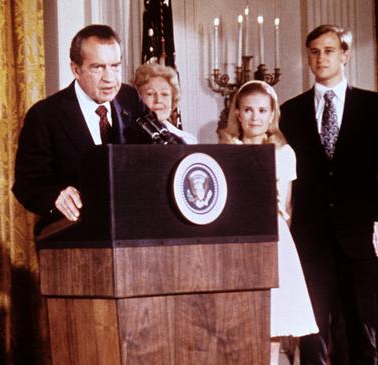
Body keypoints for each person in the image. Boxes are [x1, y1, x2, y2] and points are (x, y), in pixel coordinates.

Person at [279, 24, 378, 365]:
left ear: (345, 55)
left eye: (330, 50)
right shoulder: (289, 112)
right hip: (310, 236)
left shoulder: (372, 107)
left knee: (362, 328)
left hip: (359, 236)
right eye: (315, 51)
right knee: (312, 330)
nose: (321, 58)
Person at [12, 24, 152, 232]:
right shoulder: (44, 115)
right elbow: (26, 184)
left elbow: (153, 153)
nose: (110, 78)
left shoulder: (129, 98)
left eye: (115, 66)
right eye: (98, 67)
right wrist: (55, 196)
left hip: (131, 228)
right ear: (76, 69)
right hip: (73, 234)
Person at [219, 80, 319, 364]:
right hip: (237, 237)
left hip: (273, 235)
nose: (255, 117)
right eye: (248, 110)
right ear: (238, 113)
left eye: (262, 110)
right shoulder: (229, 150)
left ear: (272, 114)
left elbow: (286, 205)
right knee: (240, 320)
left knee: (274, 320)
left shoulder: (284, 153)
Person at [132, 63, 198, 144]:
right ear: (138, 98)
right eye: (150, 94)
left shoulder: (188, 141)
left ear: (173, 99)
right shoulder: (124, 138)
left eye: (164, 94)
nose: (158, 100)